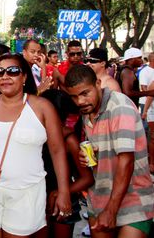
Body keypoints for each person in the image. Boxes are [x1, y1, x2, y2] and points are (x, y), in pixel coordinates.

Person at [0, 53, 71, 238]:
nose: (5, 76)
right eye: (0, 72)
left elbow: (57, 151)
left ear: (24, 76)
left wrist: (64, 191)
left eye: (13, 71)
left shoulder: (42, 107)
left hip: (26, 195)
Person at [64, 64, 154, 238]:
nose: (80, 101)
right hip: (99, 199)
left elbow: (126, 160)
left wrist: (111, 210)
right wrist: (92, 155)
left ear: (98, 83)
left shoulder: (119, 106)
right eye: (74, 97)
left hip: (133, 201)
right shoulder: (87, 110)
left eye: (84, 93)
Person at [38, 89, 94, 238]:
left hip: (62, 201)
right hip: (35, 198)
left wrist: (61, 192)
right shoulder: (35, 134)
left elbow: (87, 178)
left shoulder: (69, 140)